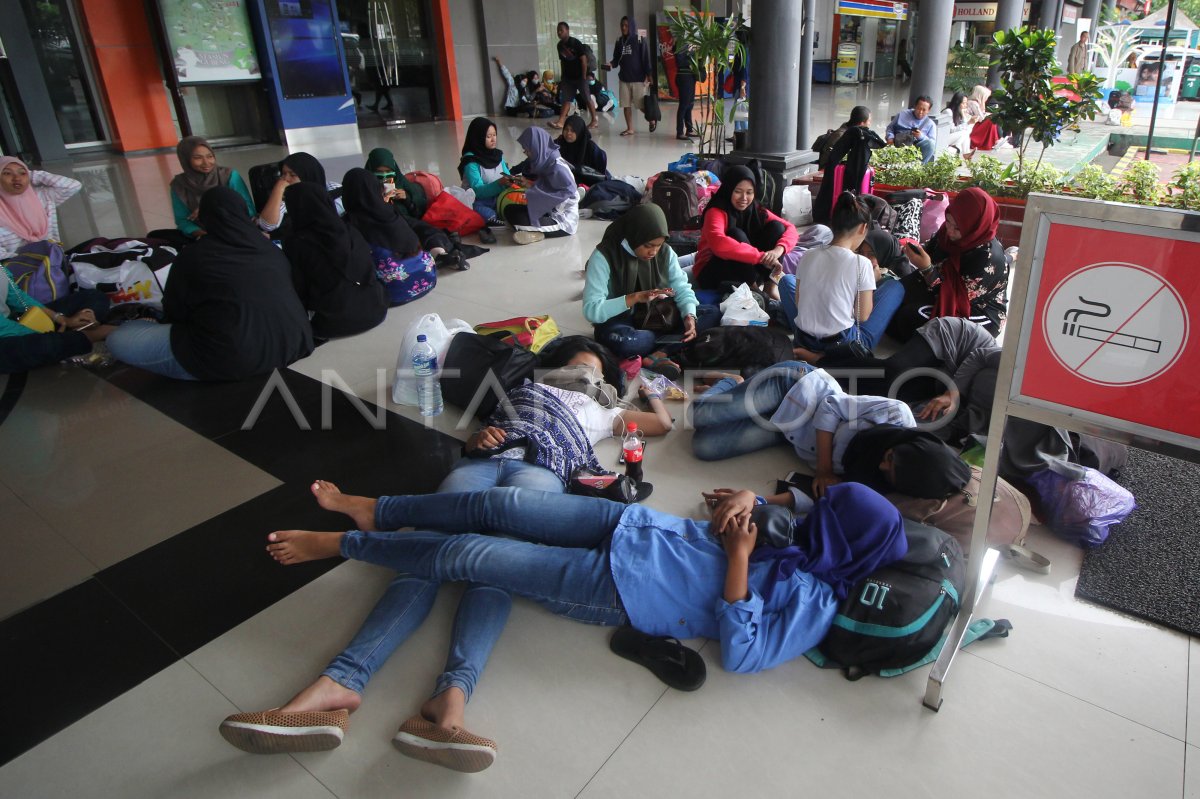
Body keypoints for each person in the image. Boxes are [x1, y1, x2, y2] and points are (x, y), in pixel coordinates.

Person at [222, 480, 906, 765]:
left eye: (830, 509)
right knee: (498, 500)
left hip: (619, 587)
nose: (816, 509)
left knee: (470, 556)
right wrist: (748, 500)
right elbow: (787, 497)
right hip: (634, 524)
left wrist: (739, 557)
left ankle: (342, 543)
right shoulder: (809, 536)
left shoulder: (816, 601)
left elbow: (746, 652)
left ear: (848, 537)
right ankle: (379, 507)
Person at [107, 186, 313, 380]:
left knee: (120, 339)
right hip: (293, 344)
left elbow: (175, 312)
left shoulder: (194, 256)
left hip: (233, 357)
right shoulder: (270, 250)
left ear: (205, 218)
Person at [583, 204, 719, 358]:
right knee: (624, 342)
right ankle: (671, 344)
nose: (653, 252)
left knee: (711, 313)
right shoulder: (604, 257)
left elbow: (682, 288)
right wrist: (635, 298)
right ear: (634, 236)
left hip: (657, 314)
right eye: (648, 246)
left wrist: (689, 316)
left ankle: (661, 351)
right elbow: (591, 311)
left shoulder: (666, 252)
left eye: (658, 245)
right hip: (621, 322)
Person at [780, 193, 904, 356]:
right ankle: (823, 359)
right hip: (841, 346)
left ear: (833, 224)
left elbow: (799, 302)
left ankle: (808, 352)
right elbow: (862, 316)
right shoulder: (862, 263)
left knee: (787, 279)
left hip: (803, 339)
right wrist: (869, 286)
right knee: (895, 287)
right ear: (863, 228)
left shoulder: (808, 255)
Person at [891, 187, 1010, 340]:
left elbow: (955, 300)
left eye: (958, 228)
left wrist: (927, 268)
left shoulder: (987, 258)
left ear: (974, 226)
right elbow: (931, 254)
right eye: (948, 222)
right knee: (892, 294)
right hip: (937, 288)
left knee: (911, 316)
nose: (950, 231)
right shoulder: (946, 232)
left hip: (977, 312)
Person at [281, 182, 387, 340]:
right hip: (376, 310)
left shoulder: (296, 242)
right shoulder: (349, 230)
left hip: (332, 324)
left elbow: (299, 289)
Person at [693, 164, 799, 296]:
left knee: (776, 227)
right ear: (729, 189)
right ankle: (754, 291)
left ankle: (770, 287)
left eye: (749, 192)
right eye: (738, 191)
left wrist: (777, 251)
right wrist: (760, 257)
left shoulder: (755, 209)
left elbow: (790, 228)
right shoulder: (716, 211)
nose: (744, 198)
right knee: (735, 234)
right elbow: (719, 243)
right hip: (713, 271)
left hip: (747, 268)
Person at [365, 148, 467, 270]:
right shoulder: (365, 186)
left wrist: (406, 198)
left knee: (428, 231)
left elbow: (420, 207)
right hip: (381, 226)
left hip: (404, 220)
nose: (384, 177)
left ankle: (441, 255)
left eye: (388, 172)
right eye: (379, 173)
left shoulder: (401, 182)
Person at [1, 265, 112, 374]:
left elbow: (18, 298)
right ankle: (87, 336)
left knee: (94, 296)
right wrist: (50, 337)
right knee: (42, 346)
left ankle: (76, 337)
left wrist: (60, 318)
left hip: (15, 323)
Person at [500, 127, 579, 244]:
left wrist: (538, 198)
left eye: (527, 150)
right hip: (547, 211)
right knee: (509, 210)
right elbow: (549, 188)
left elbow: (572, 195)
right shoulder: (546, 161)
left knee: (518, 219)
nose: (526, 153)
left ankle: (536, 234)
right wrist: (529, 184)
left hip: (562, 220)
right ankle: (532, 230)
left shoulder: (558, 168)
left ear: (537, 147)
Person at [169, 137, 255, 240]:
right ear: (185, 159)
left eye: (210, 156)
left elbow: (248, 210)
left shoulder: (228, 176)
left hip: (236, 229)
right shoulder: (179, 185)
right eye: (198, 158)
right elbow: (182, 221)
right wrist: (202, 235)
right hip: (203, 235)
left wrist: (211, 208)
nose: (206, 163)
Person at [812, 106, 886, 225]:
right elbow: (827, 163)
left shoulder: (852, 133)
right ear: (862, 122)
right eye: (869, 120)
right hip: (827, 172)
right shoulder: (845, 135)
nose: (870, 123)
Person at [0, 157, 81, 260]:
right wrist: (28, 261)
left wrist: (33, 175)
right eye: (7, 173)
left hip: (53, 264)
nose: (17, 178)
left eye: (22, 173)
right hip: (17, 270)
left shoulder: (41, 197)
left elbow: (73, 186)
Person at [257, 152, 345, 236]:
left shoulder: (334, 189)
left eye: (292, 175)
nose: (285, 179)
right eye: (283, 174)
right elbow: (267, 225)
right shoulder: (286, 199)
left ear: (307, 175)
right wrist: (278, 189)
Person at [457, 116, 511, 238]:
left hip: (498, 198)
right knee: (487, 214)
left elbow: (507, 175)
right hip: (476, 201)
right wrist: (500, 183)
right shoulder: (471, 161)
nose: (493, 139)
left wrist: (512, 181)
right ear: (478, 138)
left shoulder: (498, 155)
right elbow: (478, 191)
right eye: (488, 136)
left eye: (494, 135)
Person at [604, 16, 652, 136]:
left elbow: (646, 58)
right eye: (622, 25)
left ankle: (651, 119)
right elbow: (616, 59)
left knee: (640, 105)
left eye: (626, 25)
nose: (623, 28)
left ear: (631, 26)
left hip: (638, 78)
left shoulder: (640, 38)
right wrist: (610, 64)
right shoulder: (619, 41)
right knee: (625, 105)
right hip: (624, 78)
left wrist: (649, 74)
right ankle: (630, 128)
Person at [550, 22, 598, 130]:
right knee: (566, 99)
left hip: (580, 76)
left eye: (561, 30)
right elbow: (562, 61)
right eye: (558, 30)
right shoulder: (559, 46)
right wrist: (563, 76)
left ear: (567, 30)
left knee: (586, 98)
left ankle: (594, 120)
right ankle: (561, 121)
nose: (559, 32)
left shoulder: (575, 43)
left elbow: (583, 60)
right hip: (568, 77)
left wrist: (584, 75)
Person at [555, 115, 610, 184]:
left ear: (579, 131)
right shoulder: (559, 143)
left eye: (572, 131)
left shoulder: (590, 147)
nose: (568, 133)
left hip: (588, 180)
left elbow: (600, 173)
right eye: (566, 129)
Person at [886, 96, 937, 163]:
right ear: (915, 106)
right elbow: (890, 128)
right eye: (919, 108)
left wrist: (921, 137)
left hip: (916, 152)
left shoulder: (930, 124)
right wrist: (890, 137)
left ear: (928, 111)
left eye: (924, 110)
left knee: (930, 145)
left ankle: (916, 169)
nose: (920, 112)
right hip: (898, 146)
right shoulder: (902, 115)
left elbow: (932, 144)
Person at [673, 37, 697, 140]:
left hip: (690, 76)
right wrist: (691, 56)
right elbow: (681, 60)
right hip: (684, 75)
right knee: (684, 104)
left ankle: (689, 129)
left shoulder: (689, 43)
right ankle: (679, 131)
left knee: (690, 104)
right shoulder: (681, 43)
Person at [967, 85, 1001, 152]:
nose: (986, 99)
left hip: (974, 124)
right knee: (991, 120)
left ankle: (995, 141)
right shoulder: (973, 103)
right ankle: (995, 141)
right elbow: (981, 119)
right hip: (971, 125)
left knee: (992, 119)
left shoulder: (975, 102)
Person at [943, 92, 973, 157]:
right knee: (964, 133)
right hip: (944, 137)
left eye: (966, 103)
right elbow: (951, 130)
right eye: (963, 103)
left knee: (966, 133)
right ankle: (965, 154)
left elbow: (967, 129)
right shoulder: (948, 112)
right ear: (957, 102)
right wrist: (968, 123)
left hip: (952, 138)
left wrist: (962, 114)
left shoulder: (958, 113)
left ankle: (964, 153)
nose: (965, 105)